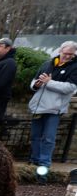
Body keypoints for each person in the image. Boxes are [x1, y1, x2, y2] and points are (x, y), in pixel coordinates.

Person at [27, 41, 77, 177]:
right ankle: (34, 162)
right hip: (38, 107)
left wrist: (49, 82)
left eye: (70, 54)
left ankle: (44, 166)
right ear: (60, 51)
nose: (67, 56)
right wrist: (36, 84)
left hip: (54, 109)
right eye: (65, 53)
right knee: (35, 136)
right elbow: (33, 82)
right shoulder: (47, 64)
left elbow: (71, 88)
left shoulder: (74, 67)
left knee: (48, 138)